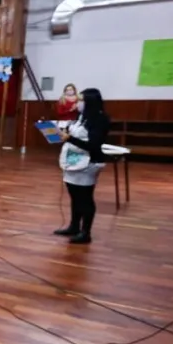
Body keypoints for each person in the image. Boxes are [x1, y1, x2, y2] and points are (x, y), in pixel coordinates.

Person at [55, 88, 110, 245]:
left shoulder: (101, 119)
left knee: (85, 198)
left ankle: (86, 232)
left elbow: (93, 144)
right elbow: (74, 134)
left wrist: (69, 139)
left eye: (81, 100)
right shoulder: (81, 117)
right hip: (73, 161)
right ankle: (74, 226)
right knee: (74, 195)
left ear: (90, 102)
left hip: (89, 163)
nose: (77, 103)